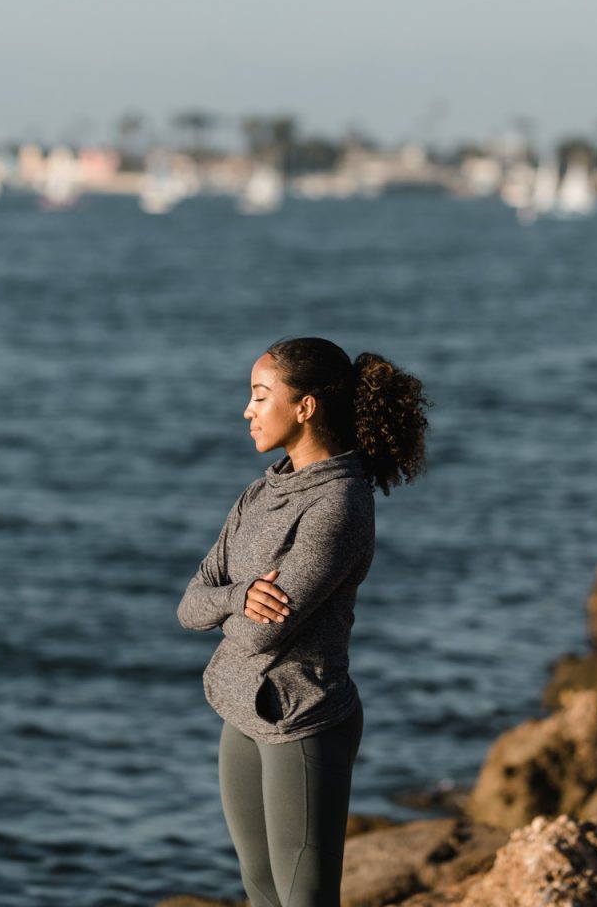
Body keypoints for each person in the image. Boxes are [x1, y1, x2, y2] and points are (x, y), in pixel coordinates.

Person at [177, 336, 429, 907]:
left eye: (261, 396)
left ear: (305, 407)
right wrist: (239, 595)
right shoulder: (259, 494)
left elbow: (265, 632)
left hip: (303, 720)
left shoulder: (338, 504)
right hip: (240, 711)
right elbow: (190, 605)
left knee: (305, 900)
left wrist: (230, 608)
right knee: (260, 891)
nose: (248, 410)